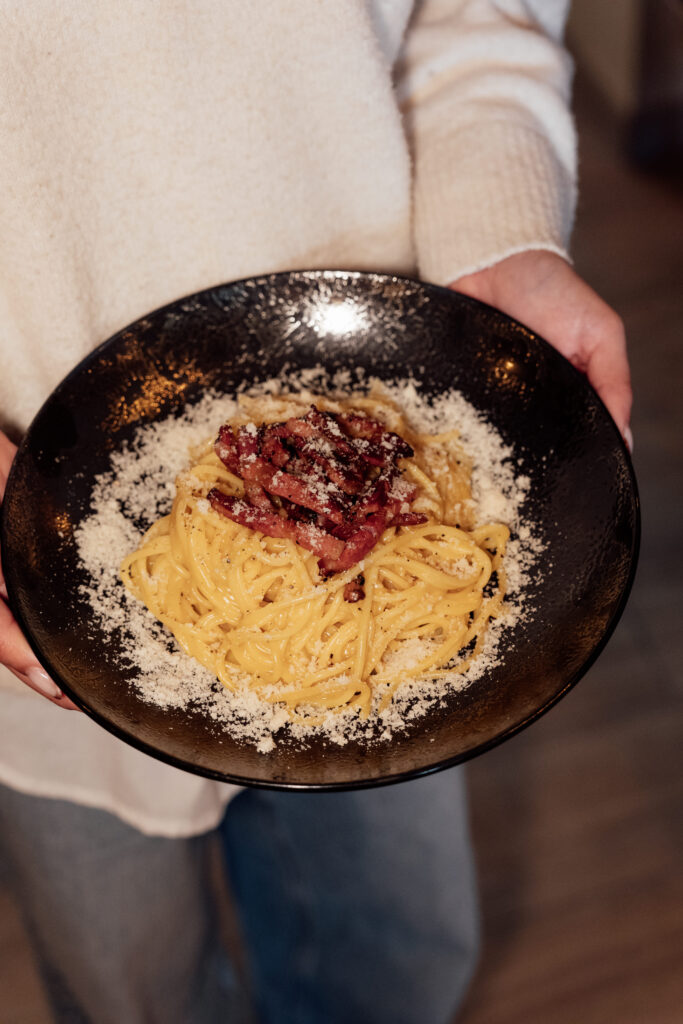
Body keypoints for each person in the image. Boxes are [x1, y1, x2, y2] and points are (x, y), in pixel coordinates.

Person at [0, 2, 631, 1022]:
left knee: (396, 961)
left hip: (383, 487)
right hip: (37, 541)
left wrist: (495, 234)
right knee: (131, 990)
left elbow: (480, 18)